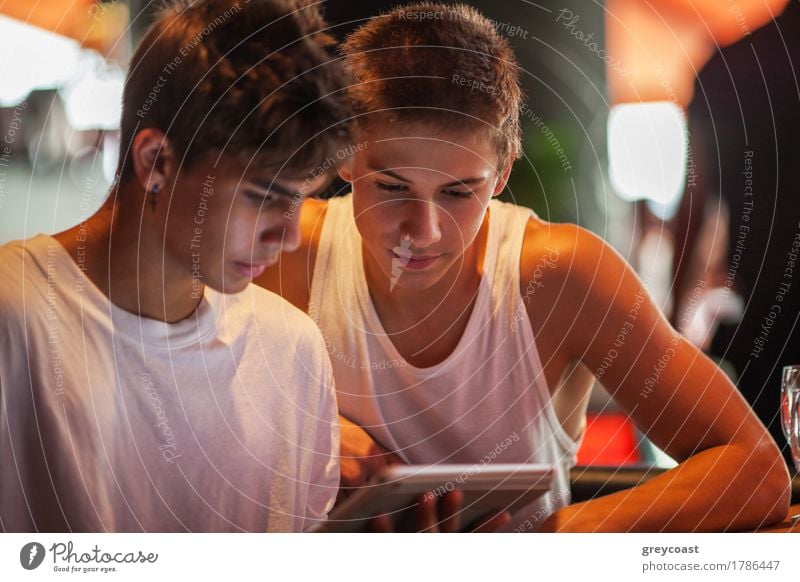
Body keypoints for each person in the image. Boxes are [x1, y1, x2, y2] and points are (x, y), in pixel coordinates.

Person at [256, 2, 790, 532]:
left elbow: (758, 470)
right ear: (345, 154)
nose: (424, 231)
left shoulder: (560, 275)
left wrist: (545, 543)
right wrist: (318, 434)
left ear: (503, 171)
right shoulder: (282, 249)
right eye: (392, 187)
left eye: (460, 192)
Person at [0, 0, 350, 532]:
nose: (291, 236)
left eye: (305, 199)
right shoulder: (14, 317)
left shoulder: (294, 350)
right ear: (155, 162)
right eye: (264, 195)